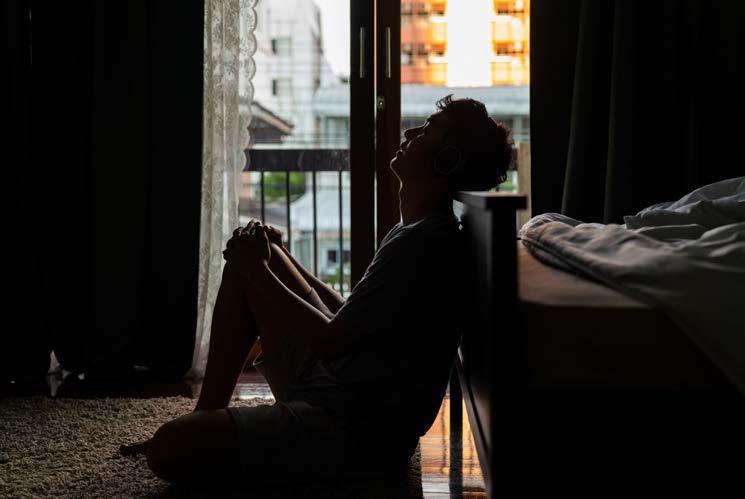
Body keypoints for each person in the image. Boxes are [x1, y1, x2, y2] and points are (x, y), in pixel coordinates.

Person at [120, 95, 513, 488]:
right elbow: (348, 319)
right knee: (258, 260)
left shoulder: (422, 243)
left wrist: (256, 268)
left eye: (427, 130)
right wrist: (279, 258)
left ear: (447, 161)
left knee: (170, 448)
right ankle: (205, 413)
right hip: (344, 392)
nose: (410, 133)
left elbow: (331, 341)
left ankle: (213, 431)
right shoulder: (419, 230)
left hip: (353, 432)